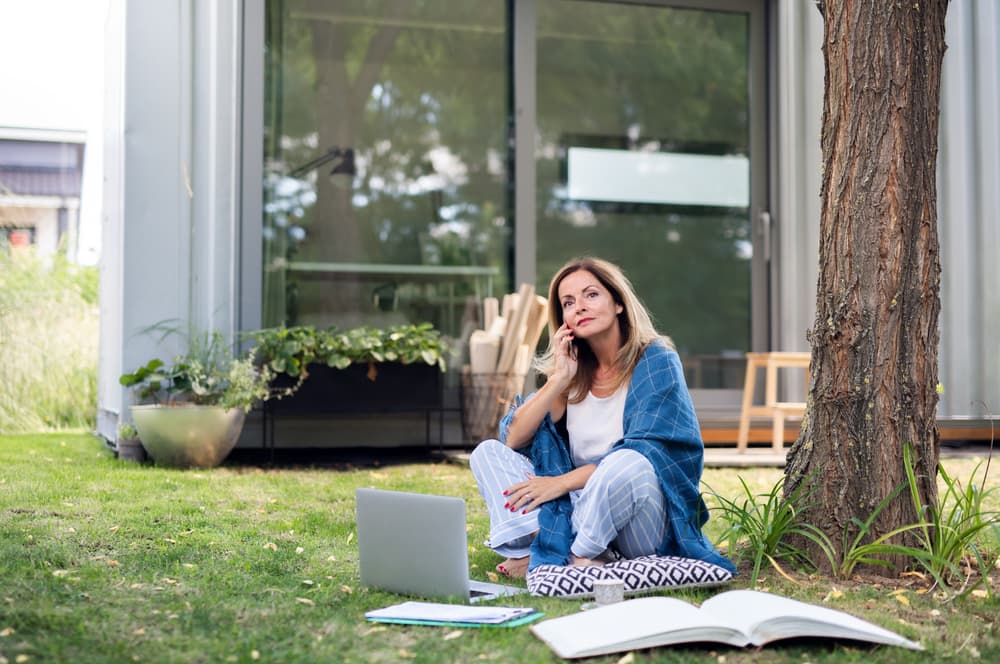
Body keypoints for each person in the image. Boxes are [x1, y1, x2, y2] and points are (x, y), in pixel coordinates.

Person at [469, 257, 735, 579]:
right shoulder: (573, 373)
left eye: (591, 295)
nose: (579, 307)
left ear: (618, 303)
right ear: (563, 318)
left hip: (639, 517)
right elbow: (513, 439)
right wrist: (558, 380)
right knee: (488, 452)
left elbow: (651, 451)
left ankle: (569, 555)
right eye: (568, 302)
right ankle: (575, 553)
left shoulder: (656, 361)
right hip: (581, 508)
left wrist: (560, 484)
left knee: (627, 461)